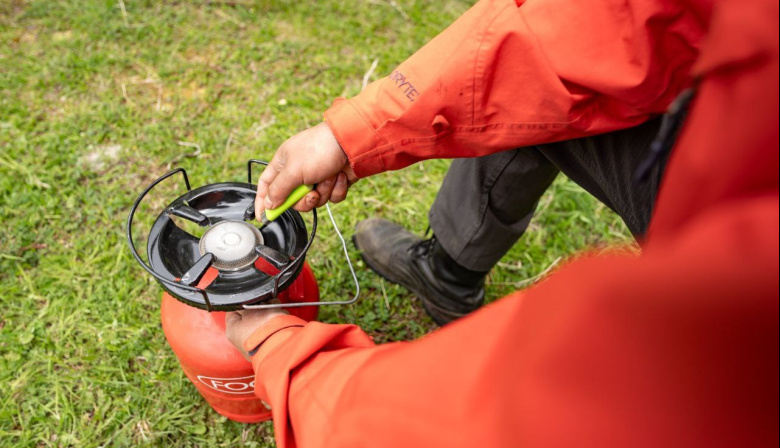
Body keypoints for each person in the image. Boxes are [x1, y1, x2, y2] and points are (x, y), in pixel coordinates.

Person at [226, 0, 779, 447]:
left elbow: (517, 411)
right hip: (734, 146)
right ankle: (448, 275)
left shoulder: (736, 316)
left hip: (737, 233)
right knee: (532, 106)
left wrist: (288, 362)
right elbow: (605, 25)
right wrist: (352, 134)